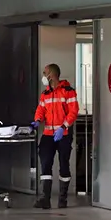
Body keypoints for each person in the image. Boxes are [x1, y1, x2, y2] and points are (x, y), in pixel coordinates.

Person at [31, 63, 79, 209]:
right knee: (45, 163)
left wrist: (63, 126)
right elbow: (41, 110)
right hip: (48, 135)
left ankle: (62, 199)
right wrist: (37, 121)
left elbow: (73, 112)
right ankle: (45, 199)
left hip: (63, 134)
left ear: (51, 75)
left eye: (45, 73)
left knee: (64, 165)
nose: (43, 76)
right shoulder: (45, 94)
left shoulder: (68, 91)